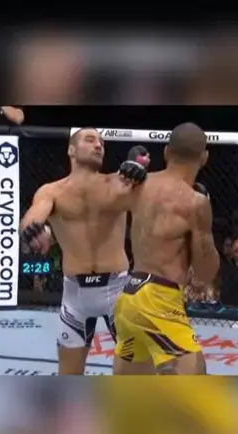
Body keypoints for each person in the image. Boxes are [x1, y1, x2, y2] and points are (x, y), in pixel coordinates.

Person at [20, 128, 147, 375]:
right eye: (90, 140)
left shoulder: (119, 183)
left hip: (118, 291)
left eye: (101, 142)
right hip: (75, 295)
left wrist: (142, 177)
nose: (98, 145)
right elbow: (33, 216)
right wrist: (32, 229)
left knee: (138, 375)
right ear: (71, 149)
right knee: (69, 377)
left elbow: (154, 197)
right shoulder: (52, 191)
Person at [113, 122, 220, 375]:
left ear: (166, 152)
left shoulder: (139, 185)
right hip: (159, 299)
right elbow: (205, 272)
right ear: (204, 158)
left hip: (129, 297)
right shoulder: (194, 202)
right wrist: (205, 224)